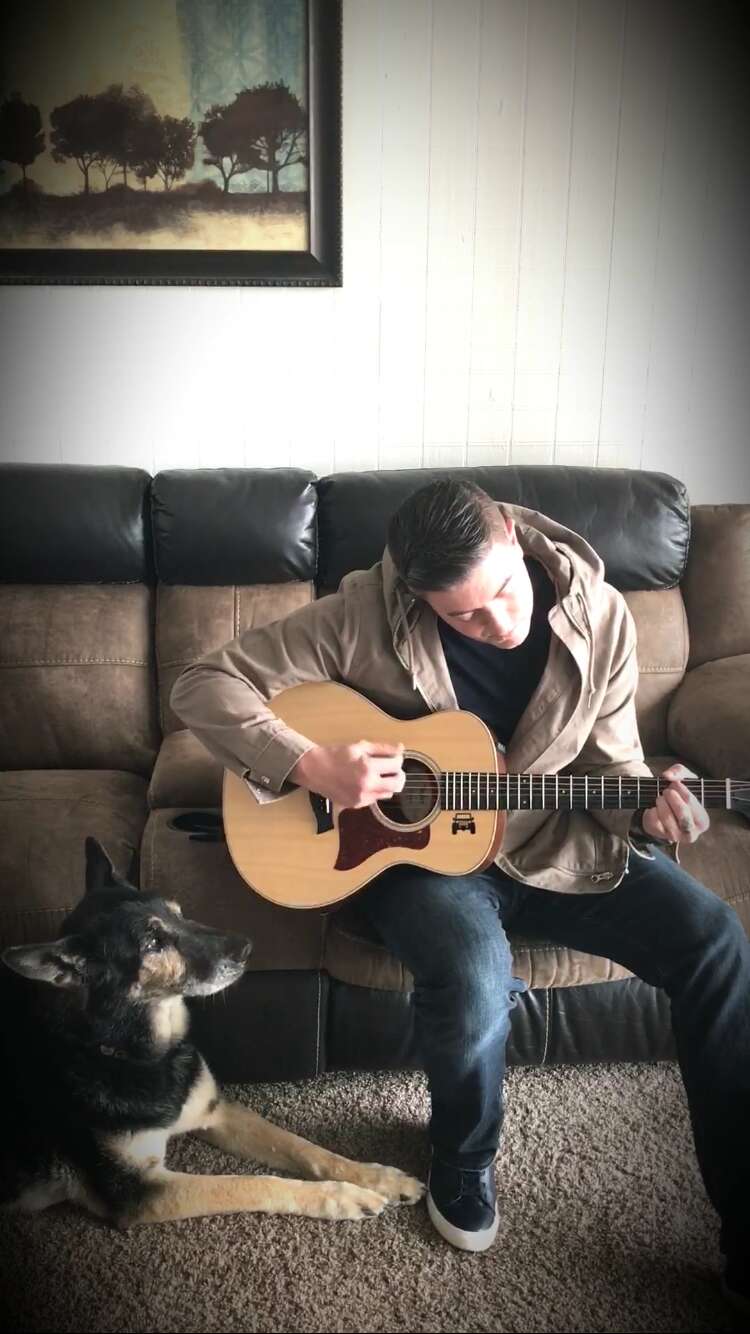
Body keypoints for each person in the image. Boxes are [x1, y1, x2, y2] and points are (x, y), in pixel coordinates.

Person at [170, 479, 749, 1311]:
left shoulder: (605, 616)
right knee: (475, 968)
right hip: (420, 861)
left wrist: (651, 805)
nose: (499, 624)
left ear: (513, 536)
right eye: (464, 617)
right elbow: (202, 683)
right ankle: (463, 1155)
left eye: (504, 594)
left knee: (715, 939)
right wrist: (309, 764)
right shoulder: (361, 614)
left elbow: (610, 774)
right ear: (415, 595)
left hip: (554, 848)